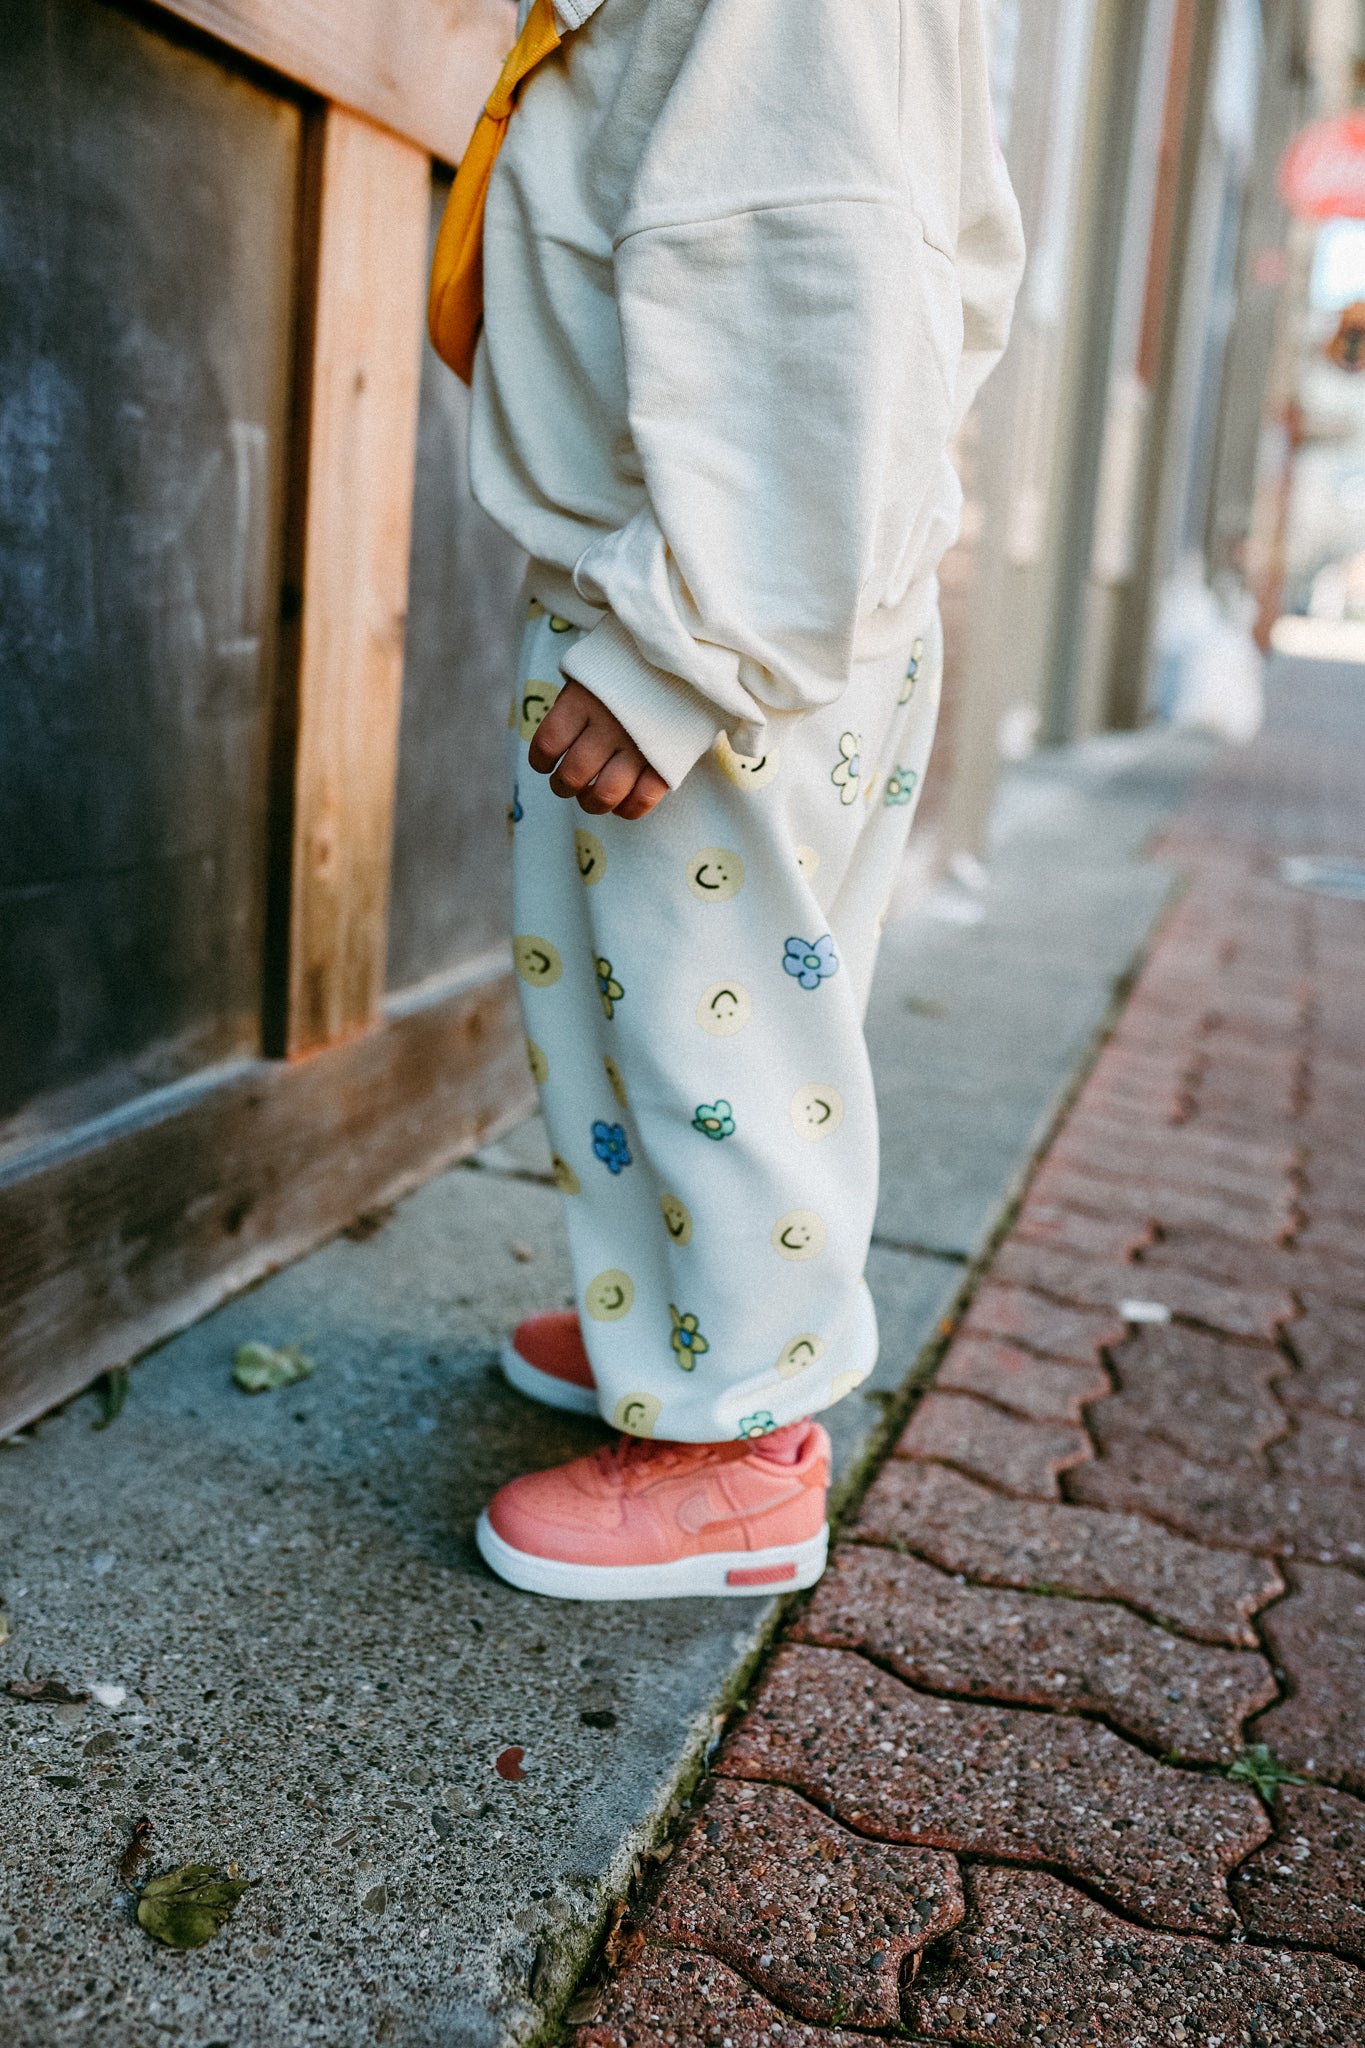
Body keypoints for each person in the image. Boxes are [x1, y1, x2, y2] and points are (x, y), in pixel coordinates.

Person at [465, 0, 1025, 1599]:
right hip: (732, 595)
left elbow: (809, 305)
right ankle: (683, 1322)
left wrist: (679, 651)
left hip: (706, 611)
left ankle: (737, 1450)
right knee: (673, 1019)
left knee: (712, 1041)